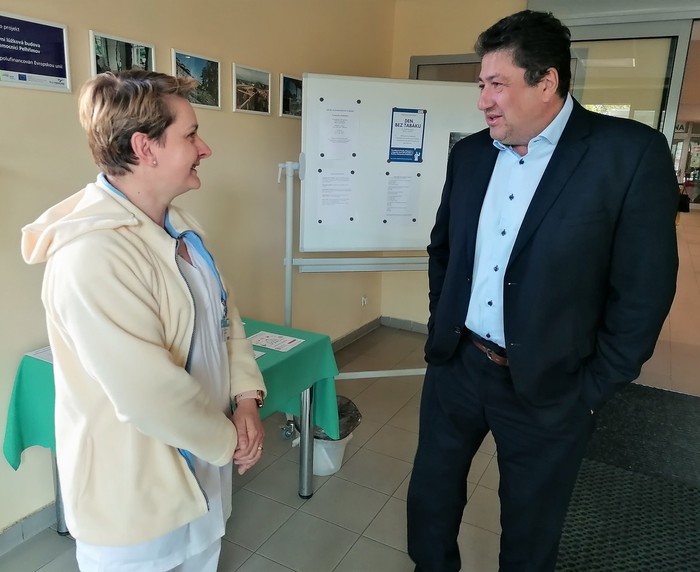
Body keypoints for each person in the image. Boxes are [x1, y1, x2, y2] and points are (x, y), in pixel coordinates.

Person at [407, 10, 678, 572]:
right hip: (457, 366)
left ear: (547, 81)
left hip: (554, 386)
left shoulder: (627, 155)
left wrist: (593, 388)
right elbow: (444, 252)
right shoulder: (470, 155)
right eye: (481, 84)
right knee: (430, 502)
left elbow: (644, 290)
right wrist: (442, 325)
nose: (483, 101)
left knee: (530, 532)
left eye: (497, 84)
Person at [21, 70, 267, 571]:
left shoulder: (182, 228)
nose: (205, 149)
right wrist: (229, 441)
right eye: (191, 135)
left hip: (203, 476)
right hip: (135, 505)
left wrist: (245, 398)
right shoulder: (91, 256)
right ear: (144, 147)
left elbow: (225, 318)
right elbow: (149, 394)